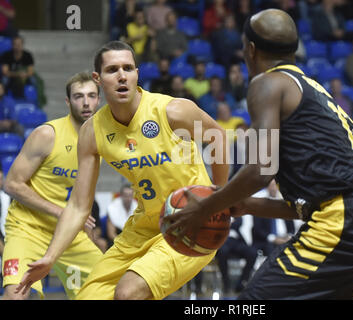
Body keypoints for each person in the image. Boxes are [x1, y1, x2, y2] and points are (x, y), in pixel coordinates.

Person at [163, 9, 353, 299]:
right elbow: (315, 203)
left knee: (251, 304)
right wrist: (248, 205)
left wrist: (206, 207)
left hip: (345, 224)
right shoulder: (312, 87)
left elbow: (261, 168)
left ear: (250, 49)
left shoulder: (267, 83)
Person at [15, 41, 229, 300]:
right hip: (143, 226)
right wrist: (50, 258)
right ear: (97, 79)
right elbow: (79, 207)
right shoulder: (92, 131)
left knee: (127, 292)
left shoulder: (172, 110)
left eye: (128, 68)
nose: (121, 76)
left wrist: (219, 199)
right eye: (112, 69)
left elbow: (217, 136)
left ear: (137, 74)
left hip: (190, 221)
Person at [1, 72, 103, 300]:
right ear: (68, 102)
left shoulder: (99, 143)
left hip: (68, 235)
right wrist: (62, 212)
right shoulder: (47, 134)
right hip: (28, 229)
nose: (86, 102)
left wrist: (83, 224)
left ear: (98, 100)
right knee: (16, 296)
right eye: (78, 96)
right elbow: (12, 184)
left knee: (109, 290)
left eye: (91, 96)